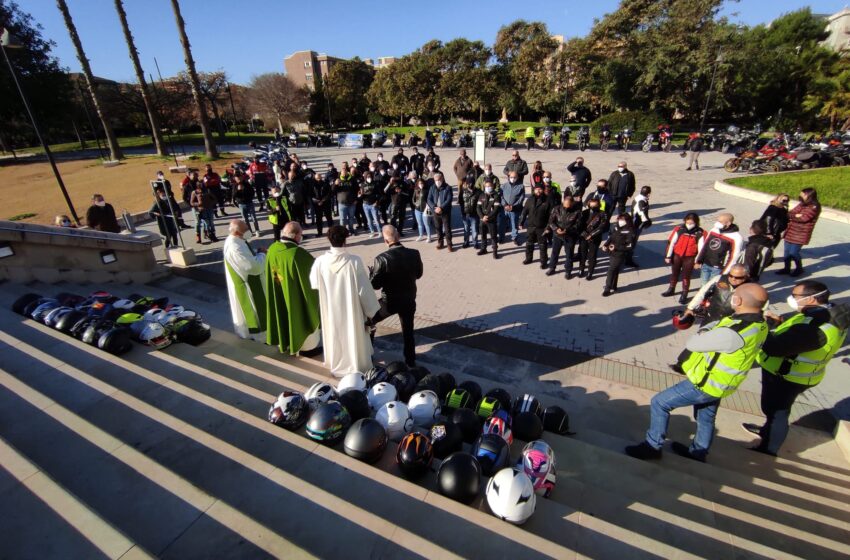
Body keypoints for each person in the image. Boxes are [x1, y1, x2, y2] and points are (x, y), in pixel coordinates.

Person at [625, 283, 770, 462]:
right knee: (706, 416)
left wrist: (706, 329)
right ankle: (698, 452)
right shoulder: (760, 324)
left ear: (737, 300)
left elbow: (694, 344)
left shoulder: (734, 332)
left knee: (660, 403)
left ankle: (652, 446)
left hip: (706, 383)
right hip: (723, 383)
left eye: (734, 294)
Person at [747, 281, 849, 455]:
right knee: (775, 410)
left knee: (777, 412)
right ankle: (767, 431)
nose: (791, 298)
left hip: (787, 376)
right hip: (799, 375)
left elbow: (775, 348)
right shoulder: (824, 314)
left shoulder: (815, 327)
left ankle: (768, 448)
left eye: (795, 296)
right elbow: (795, 334)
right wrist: (779, 323)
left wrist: (764, 327)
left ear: (811, 298)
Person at [309, 225, 381, 376]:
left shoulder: (320, 261)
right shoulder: (354, 261)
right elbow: (364, 290)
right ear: (345, 240)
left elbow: (314, 284)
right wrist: (371, 310)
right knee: (354, 336)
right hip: (351, 310)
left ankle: (336, 362)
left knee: (334, 334)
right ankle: (355, 363)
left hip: (330, 310)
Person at [370, 225, 424, 367]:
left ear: (385, 240)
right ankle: (410, 361)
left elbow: (375, 285)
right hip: (408, 299)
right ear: (398, 236)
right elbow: (419, 274)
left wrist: (371, 274)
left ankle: (369, 353)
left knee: (369, 320)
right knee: (408, 331)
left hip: (389, 302)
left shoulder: (381, 259)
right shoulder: (414, 253)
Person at [264, 222, 321, 355]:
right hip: (295, 297)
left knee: (283, 315)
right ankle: (306, 348)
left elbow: (275, 273)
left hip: (280, 291)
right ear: (296, 236)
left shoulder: (272, 248)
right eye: (301, 235)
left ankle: (286, 342)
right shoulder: (298, 254)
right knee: (299, 316)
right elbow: (313, 276)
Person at [223, 219, 267, 340]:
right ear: (237, 233)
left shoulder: (237, 240)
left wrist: (256, 253)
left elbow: (247, 259)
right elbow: (254, 267)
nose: (249, 231)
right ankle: (261, 337)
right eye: (245, 230)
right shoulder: (234, 247)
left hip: (249, 282)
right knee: (256, 312)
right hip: (248, 287)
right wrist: (262, 254)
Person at [684, 264, 751, 326]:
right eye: (730, 275)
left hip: (730, 323)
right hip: (710, 318)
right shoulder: (718, 279)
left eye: (737, 277)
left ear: (746, 276)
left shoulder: (752, 289)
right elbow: (702, 292)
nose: (733, 279)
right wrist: (690, 308)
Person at [777, 188, 821, 277]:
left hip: (801, 234)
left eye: (803, 195)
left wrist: (795, 216)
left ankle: (799, 268)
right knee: (786, 252)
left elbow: (804, 218)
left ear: (809, 195)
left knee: (793, 252)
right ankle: (787, 268)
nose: (800, 196)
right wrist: (796, 215)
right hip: (791, 231)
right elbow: (789, 213)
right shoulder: (802, 204)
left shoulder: (814, 206)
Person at [663, 213, 705, 303]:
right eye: (687, 221)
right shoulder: (679, 229)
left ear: (696, 222)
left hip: (690, 258)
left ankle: (684, 294)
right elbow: (671, 243)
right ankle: (671, 289)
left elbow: (701, 249)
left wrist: (698, 261)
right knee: (674, 273)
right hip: (677, 255)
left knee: (686, 277)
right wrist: (668, 256)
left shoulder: (700, 232)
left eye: (691, 222)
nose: (689, 223)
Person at [695, 213, 743, 285]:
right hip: (706, 264)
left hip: (718, 268)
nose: (717, 223)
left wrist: (725, 271)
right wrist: (699, 261)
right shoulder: (714, 230)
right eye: (717, 220)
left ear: (728, 223)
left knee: (712, 286)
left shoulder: (736, 237)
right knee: (703, 285)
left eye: (720, 222)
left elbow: (734, 257)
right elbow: (705, 246)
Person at [546, 196, 582, 278]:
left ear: (572, 203)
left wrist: (567, 230)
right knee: (555, 252)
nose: (566, 207)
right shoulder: (556, 209)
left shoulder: (577, 212)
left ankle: (568, 271)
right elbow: (551, 221)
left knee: (569, 254)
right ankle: (552, 267)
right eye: (565, 205)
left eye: (568, 206)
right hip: (557, 235)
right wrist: (556, 229)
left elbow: (578, 225)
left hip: (570, 236)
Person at [601, 213, 635, 297]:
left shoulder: (630, 230)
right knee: (615, 270)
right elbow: (611, 237)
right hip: (612, 252)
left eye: (622, 220)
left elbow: (629, 245)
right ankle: (614, 286)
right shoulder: (617, 228)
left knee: (611, 270)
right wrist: (605, 245)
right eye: (619, 219)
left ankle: (607, 288)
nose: (620, 221)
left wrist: (616, 247)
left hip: (620, 254)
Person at [519, 183, 553, 268]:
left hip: (542, 228)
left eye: (540, 189)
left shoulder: (548, 201)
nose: (538, 191)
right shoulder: (530, 200)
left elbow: (552, 216)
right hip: (531, 227)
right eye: (536, 189)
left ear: (543, 190)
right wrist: (521, 222)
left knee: (542, 245)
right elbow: (524, 212)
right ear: (534, 190)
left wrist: (548, 227)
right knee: (529, 244)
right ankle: (529, 258)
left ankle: (543, 261)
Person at [578, 197, 607, 280]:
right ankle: (581, 269)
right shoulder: (584, 213)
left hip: (595, 238)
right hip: (584, 237)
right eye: (591, 205)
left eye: (595, 205)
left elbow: (602, 227)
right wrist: (584, 234)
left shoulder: (603, 214)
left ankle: (590, 272)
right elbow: (579, 225)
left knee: (592, 255)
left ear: (598, 205)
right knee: (582, 254)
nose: (593, 207)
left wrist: (591, 235)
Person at [426, 172, 454, 251]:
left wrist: (441, 207)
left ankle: (449, 244)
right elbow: (429, 199)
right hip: (435, 211)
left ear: (442, 179)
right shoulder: (432, 188)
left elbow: (449, 199)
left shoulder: (447, 187)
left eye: (439, 180)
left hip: (445, 212)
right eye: (435, 180)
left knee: (447, 229)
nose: (437, 181)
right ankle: (440, 243)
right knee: (438, 228)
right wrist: (434, 207)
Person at [477, 180, 502, 259]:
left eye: (489, 186)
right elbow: (478, 207)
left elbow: (496, 209)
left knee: (493, 236)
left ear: (493, 186)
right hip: (482, 220)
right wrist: (482, 217)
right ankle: (483, 249)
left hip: (491, 220)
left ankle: (495, 251)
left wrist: (488, 217)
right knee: (483, 235)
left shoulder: (496, 196)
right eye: (486, 186)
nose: (488, 188)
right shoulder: (481, 195)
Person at [499, 172, 526, 245]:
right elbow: (501, 196)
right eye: (511, 177)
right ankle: (501, 237)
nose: (513, 179)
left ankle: (514, 238)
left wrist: (513, 206)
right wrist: (504, 205)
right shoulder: (504, 186)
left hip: (515, 209)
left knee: (514, 224)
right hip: (504, 209)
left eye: (514, 177)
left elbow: (521, 198)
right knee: (502, 224)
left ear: (517, 178)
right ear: (508, 177)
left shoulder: (521, 186)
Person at [459, 174, 482, 250]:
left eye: (471, 183)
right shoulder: (463, 191)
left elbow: (480, 204)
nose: (469, 184)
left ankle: (475, 243)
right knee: (466, 230)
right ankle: (466, 242)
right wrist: (462, 212)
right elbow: (461, 203)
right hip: (465, 214)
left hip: (474, 215)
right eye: (468, 183)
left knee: (475, 230)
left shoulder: (478, 192)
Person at [334, 165, 358, 235]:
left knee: (351, 218)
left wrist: (356, 199)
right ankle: (343, 232)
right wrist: (335, 185)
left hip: (352, 203)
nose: (344, 174)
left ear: (347, 173)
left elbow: (357, 190)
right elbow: (333, 191)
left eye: (345, 172)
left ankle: (351, 230)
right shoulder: (338, 180)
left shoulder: (352, 179)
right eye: (342, 173)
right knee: (342, 219)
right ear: (340, 173)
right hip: (342, 203)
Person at [359, 171, 382, 238]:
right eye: (368, 176)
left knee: (376, 219)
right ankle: (372, 232)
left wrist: (377, 202)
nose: (369, 178)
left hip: (373, 204)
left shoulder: (375, 183)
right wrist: (360, 195)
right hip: (365, 204)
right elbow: (361, 195)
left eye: (370, 176)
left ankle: (380, 231)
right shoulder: (362, 184)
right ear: (365, 177)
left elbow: (380, 194)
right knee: (369, 220)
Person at [312, 172, 334, 237]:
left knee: (329, 218)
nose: (318, 179)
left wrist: (323, 200)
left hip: (326, 203)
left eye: (319, 177)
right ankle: (319, 232)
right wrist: (317, 201)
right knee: (318, 219)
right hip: (317, 204)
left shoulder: (325, 184)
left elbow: (329, 193)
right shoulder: (312, 185)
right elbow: (311, 195)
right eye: (317, 178)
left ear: (321, 177)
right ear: (315, 178)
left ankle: (331, 232)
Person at [411, 178, 432, 242]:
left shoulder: (427, 190)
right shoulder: (416, 190)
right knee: (419, 224)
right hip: (417, 210)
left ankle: (429, 237)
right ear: (417, 184)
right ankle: (421, 235)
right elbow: (413, 199)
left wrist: (428, 206)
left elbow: (430, 199)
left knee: (427, 224)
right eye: (419, 183)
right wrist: (415, 204)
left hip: (426, 209)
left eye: (422, 183)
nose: (421, 185)